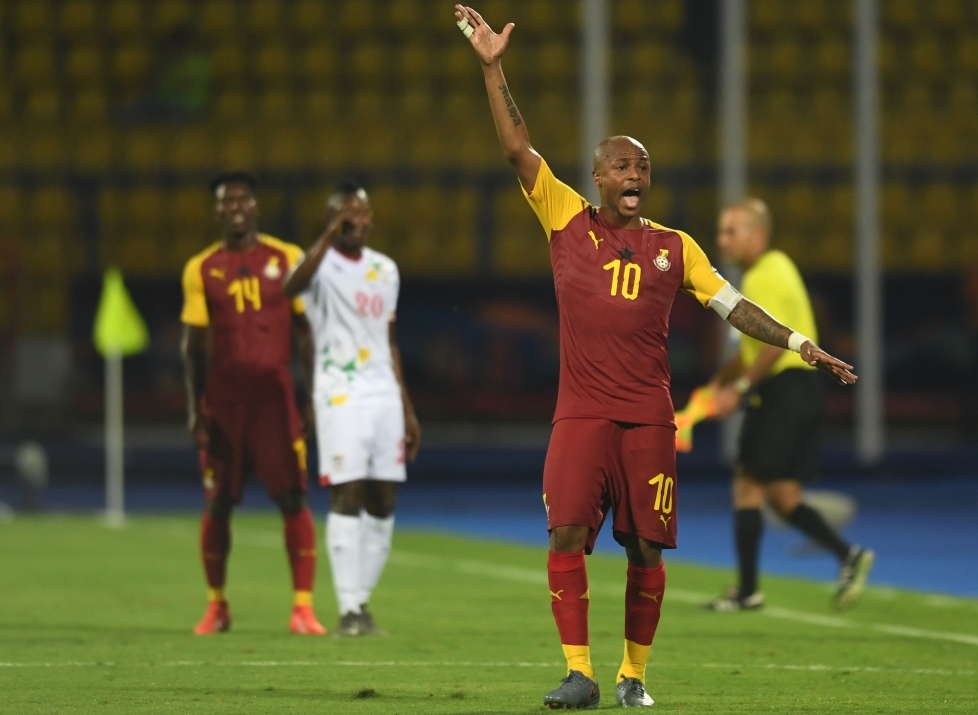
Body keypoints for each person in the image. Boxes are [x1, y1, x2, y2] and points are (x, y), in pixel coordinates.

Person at [454, 5, 857, 709]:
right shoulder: (564, 218)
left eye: (642, 164)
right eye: (620, 164)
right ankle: (578, 671)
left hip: (647, 418)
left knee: (646, 550)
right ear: (598, 176)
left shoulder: (678, 246)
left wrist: (799, 342)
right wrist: (493, 67)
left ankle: (632, 674)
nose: (633, 172)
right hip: (580, 414)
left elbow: (734, 307)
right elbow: (518, 148)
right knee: (566, 530)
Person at [700, 199, 875, 612]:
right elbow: (755, 347)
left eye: (732, 231)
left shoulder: (764, 274)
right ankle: (849, 557)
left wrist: (738, 389)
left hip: (784, 392)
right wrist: (716, 384)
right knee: (783, 496)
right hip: (807, 391)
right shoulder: (777, 269)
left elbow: (772, 351)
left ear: (757, 234)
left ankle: (747, 592)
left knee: (747, 482)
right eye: (722, 231)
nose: (723, 240)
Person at [181, 171, 326, 636]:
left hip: (275, 397)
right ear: (217, 210)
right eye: (227, 201)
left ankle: (302, 608)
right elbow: (194, 346)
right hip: (223, 401)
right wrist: (194, 410)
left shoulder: (286, 259)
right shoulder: (201, 268)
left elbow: (305, 332)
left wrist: (312, 397)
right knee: (219, 503)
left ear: (256, 206)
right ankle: (217, 605)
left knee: (291, 497)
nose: (236, 207)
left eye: (243, 199)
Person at [283, 181, 421, 637]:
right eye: (347, 215)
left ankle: (361, 603)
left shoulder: (385, 270)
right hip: (338, 391)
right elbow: (289, 288)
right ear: (332, 220)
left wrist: (407, 408)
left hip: (382, 392)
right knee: (348, 492)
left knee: (384, 498)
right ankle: (347, 610)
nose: (357, 222)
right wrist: (326, 239)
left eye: (363, 214)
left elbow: (390, 341)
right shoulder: (319, 266)